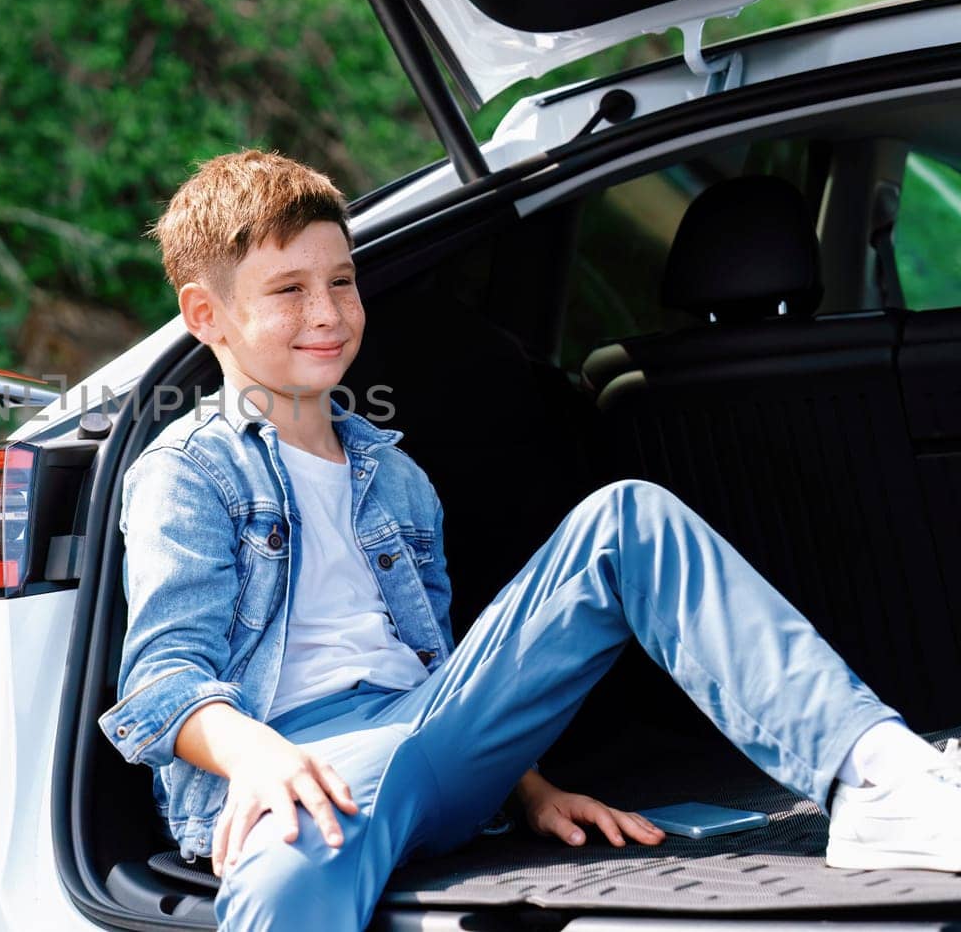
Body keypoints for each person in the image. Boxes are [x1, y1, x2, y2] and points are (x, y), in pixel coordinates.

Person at [96, 149, 961, 932]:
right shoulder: (189, 473)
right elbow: (162, 678)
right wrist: (260, 757)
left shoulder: (392, 473)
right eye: (289, 290)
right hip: (307, 764)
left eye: (345, 281)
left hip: (430, 734)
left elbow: (436, 674)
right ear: (206, 314)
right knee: (282, 882)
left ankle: (875, 772)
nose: (328, 312)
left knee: (625, 517)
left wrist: (532, 787)